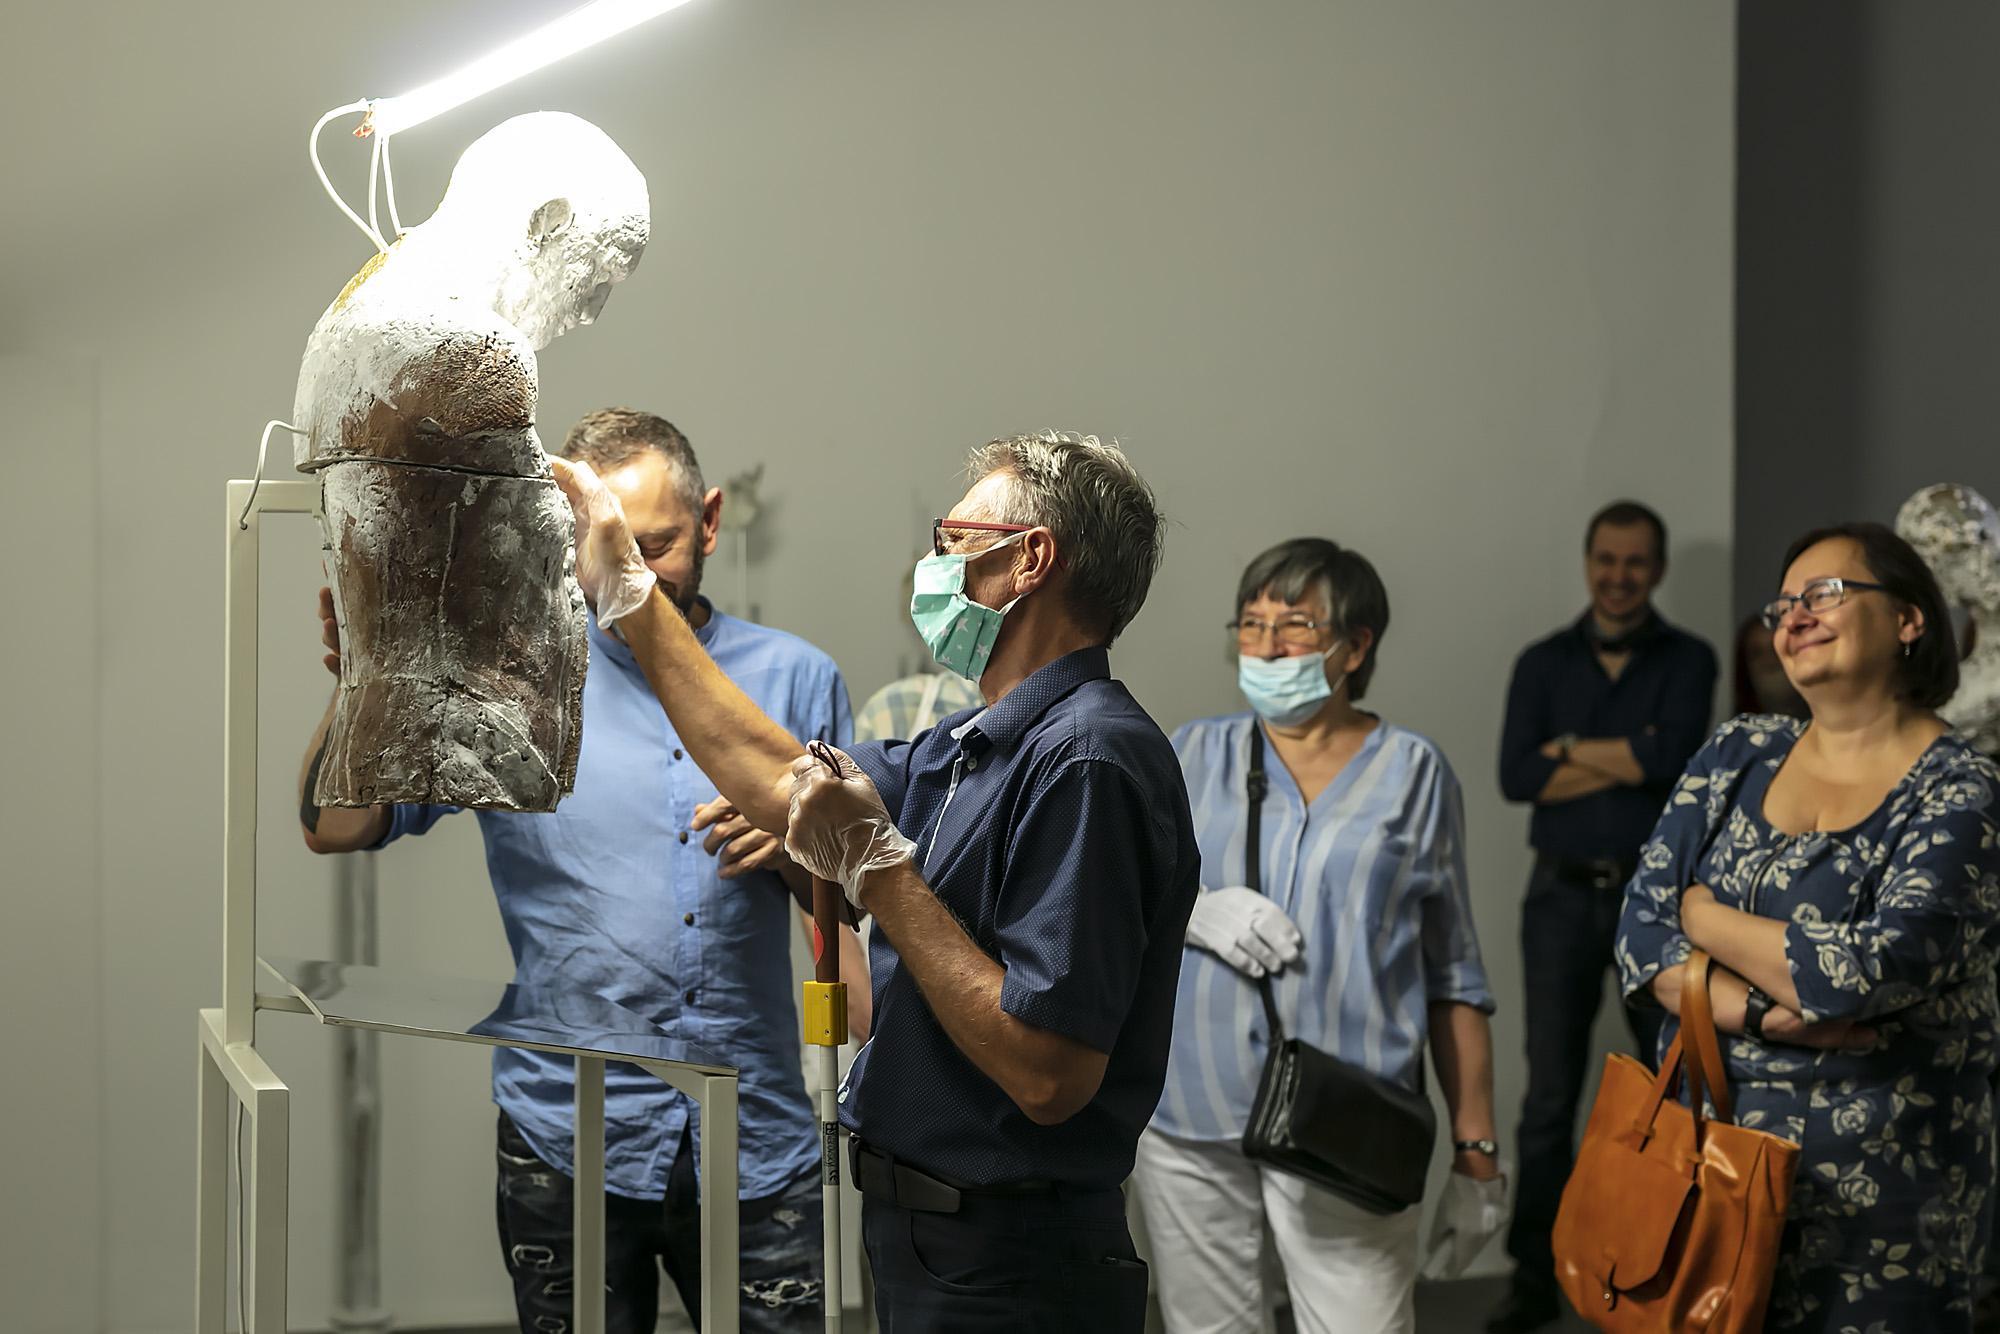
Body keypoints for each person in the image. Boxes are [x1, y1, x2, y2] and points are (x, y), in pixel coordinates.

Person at [552, 430, 1200, 1332]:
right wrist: (632, 592)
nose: (933, 566)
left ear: (1030, 559)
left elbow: (1048, 1075)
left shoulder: (1088, 759)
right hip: (927, 1241)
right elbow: (773, 775)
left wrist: (886, 876)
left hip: (1014, 1261)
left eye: (954, 540)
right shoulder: (977, 746)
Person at [299, 409, 858, 1333]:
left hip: (754, 1136)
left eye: (656, 546)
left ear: (711, 522)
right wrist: (368, 677)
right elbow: (335, 824)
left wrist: (800, 846)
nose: (629, 576)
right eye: (605, 549)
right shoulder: (506, 685)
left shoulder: (797, 679)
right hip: (567, 1137)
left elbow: (852, 914)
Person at [1617, 521, 2000, 1331]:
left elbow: (1866, 972)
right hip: (1705, 1170)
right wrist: (1763, 1010)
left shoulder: (1962, 788)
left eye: (1824, 594)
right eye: (1782, 604)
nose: (1793, 617)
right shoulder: (1739, 753)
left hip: (1887, 1205)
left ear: (1908, 619)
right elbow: (1642, 936)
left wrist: (1704, 916)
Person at [1131, 538, 1504, 1334]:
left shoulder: (1414, 775)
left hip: (1347, 1122)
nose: (1267, 646)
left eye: (1295, 625)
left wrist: (1477, 1154)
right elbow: (1113, 897)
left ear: (1355, 647)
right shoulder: (1191, 753)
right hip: (1191, 1116)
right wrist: (1190, 908)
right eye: (1252, 624)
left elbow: (1454, 977)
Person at [1490, 500, 1719, 1333]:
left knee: (1677, 1092)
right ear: (1589, 563)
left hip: (1654, 905)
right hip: (1557, 899)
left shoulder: (1690, 659)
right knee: (1549, 1098)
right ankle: (1531, 1280)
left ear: (1656, 570)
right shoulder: (1541, 662)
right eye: (1607, 560)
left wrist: (1567, 749)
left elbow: (1674, 760)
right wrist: (1629, 754)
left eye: (1635, 563)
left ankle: (1676, 1276)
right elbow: (1517, 777)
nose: (1619, 578)